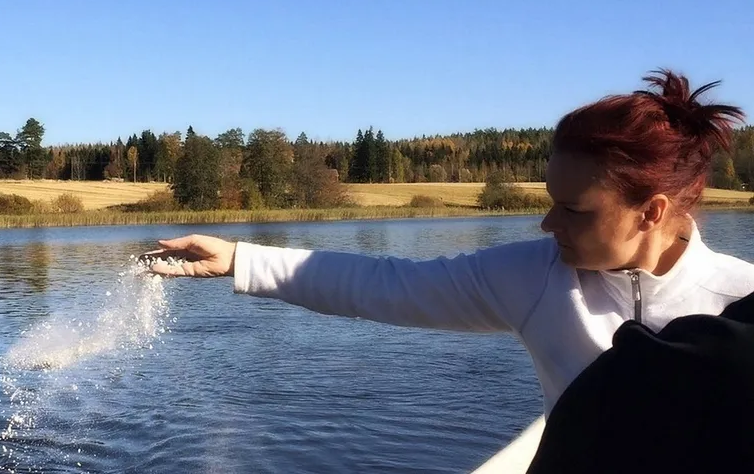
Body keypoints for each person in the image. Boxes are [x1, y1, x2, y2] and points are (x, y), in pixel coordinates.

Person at [142, 68, 754, 431]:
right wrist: (241, 258)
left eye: (572, 209)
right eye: (550, 199)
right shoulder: (536, 278)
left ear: (652, 212)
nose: (547, 224)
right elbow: (388, 287)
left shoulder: (741, 302)